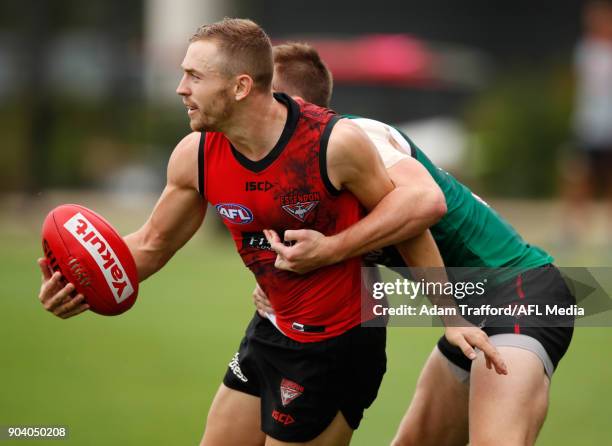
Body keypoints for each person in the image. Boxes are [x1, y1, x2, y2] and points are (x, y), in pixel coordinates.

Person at [35, 18, 484, 446]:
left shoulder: (333, 145)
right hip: (270, 328)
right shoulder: (196, 155)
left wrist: (451, 315)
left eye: (194, 76)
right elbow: (151, 244)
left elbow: (409, 219)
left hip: (335, 343)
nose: (181, 89)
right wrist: (77, 279)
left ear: (241, 86)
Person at [253, 42, 575, 446]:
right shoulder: (303, 169)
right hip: (469, 308)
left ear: (293, 101)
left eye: (262, 90)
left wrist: (331, 250)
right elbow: (350, 266)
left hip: (520, 290)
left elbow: (425, 204)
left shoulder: (353, 137)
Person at [563, 0, 612, 243]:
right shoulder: (585, 50)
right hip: (588, 125)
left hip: (609, 126)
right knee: (579, 177)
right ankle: (575, 229)